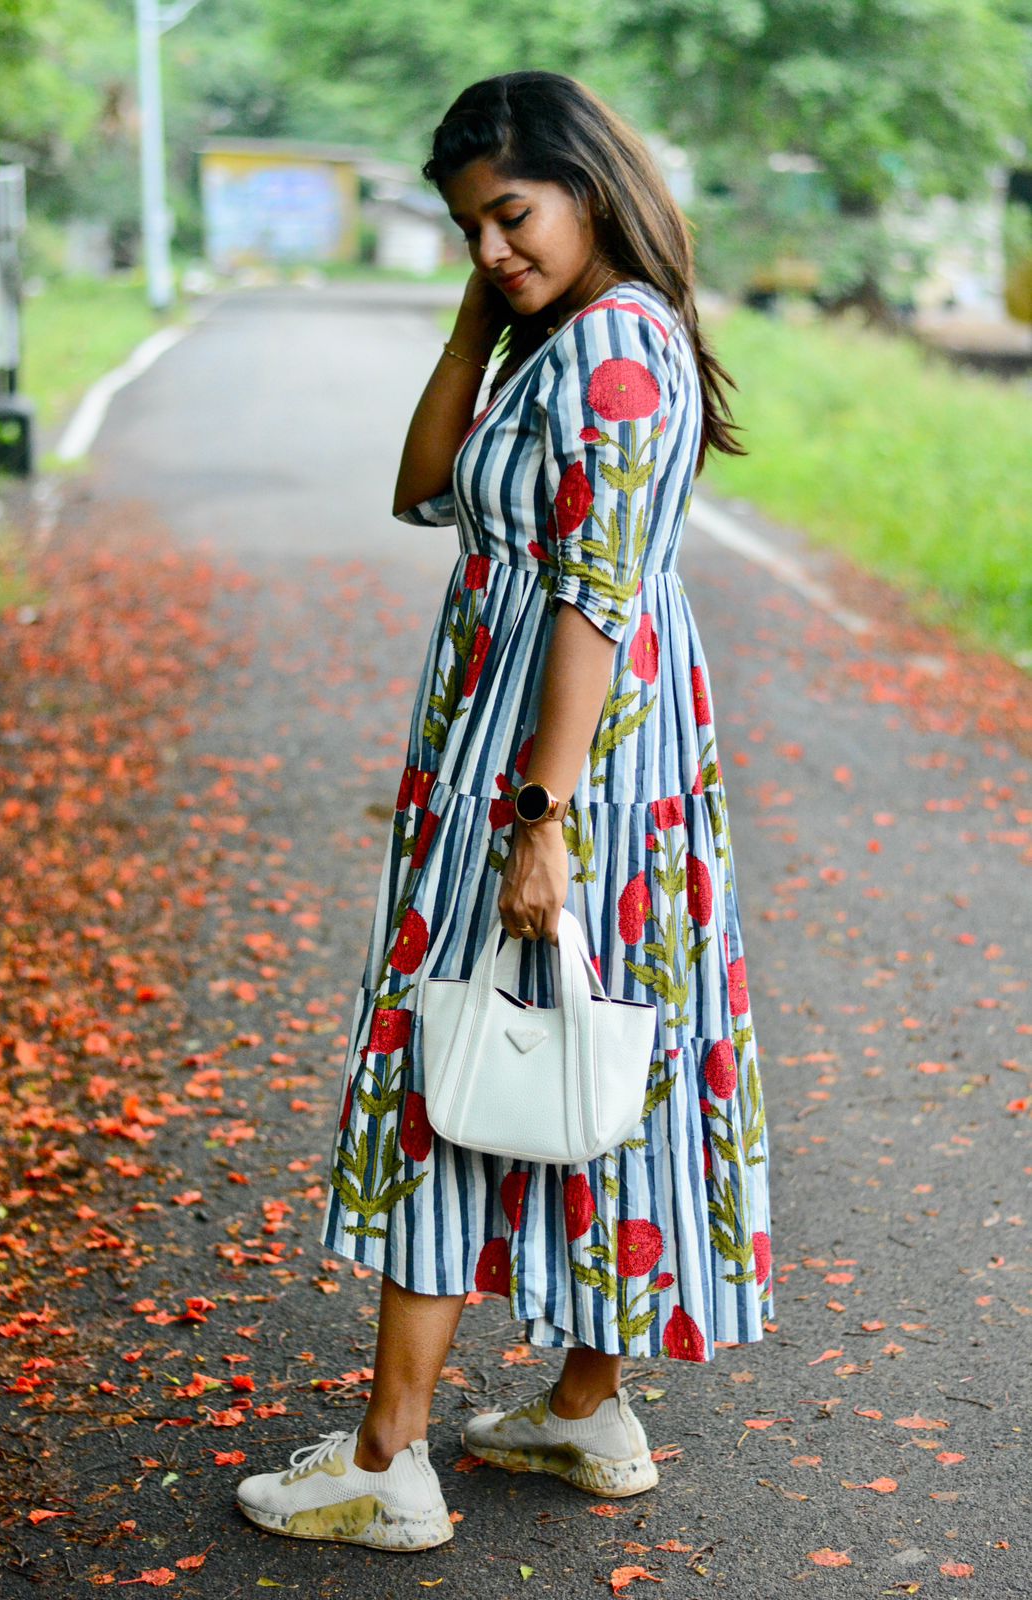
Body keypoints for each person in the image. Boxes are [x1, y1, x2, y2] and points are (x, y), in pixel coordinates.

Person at [237, 69, 775, 1552]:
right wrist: (482, 316)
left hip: (557, 753)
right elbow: (422, 489)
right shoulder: (575, 343)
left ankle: (386, 1461)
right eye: (469, 225)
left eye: (511, 214)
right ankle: (585, 1408)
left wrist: (538, 813)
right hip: (589, 752)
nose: (489, 246)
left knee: (461, 1058)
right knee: (596, 1051)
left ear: (591, 181)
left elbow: (595, 601)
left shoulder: (614, 354)